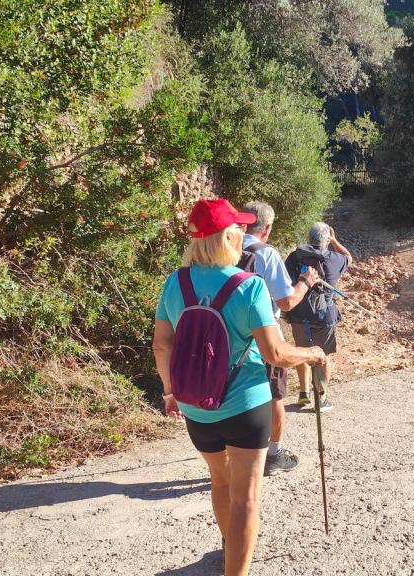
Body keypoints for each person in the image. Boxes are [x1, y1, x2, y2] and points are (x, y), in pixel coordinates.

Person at [152, 198, 326, 576]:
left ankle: (232, 547)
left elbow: (161, 343)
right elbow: (276, 354)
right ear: (229, 235)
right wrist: (311, 353)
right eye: (239, 229)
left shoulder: (175, 282)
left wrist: (170, 392)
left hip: (196, 407)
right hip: (246, 406)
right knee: (247, 496)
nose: (244, 234)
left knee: (220, 481)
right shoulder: (249, 287)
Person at [237, 200, 319, 475]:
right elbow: (285, 302)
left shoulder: (225, 246)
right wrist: (306, 282)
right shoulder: (266, 254)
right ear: (268, 228)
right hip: (264, 333)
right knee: (274, 393)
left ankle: (236, 448)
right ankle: (274, 453)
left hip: (231, 333)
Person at [284, 222, 352, 412]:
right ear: (326, 240)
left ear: (309, 238)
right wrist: (335, 240)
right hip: (324, 317)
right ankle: (321, 399)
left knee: (301, 352)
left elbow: (286, 279)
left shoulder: (294, 256)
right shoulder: (336, 259)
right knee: (323, 356)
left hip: (298, 314)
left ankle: (304, 393)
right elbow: (349, 257)